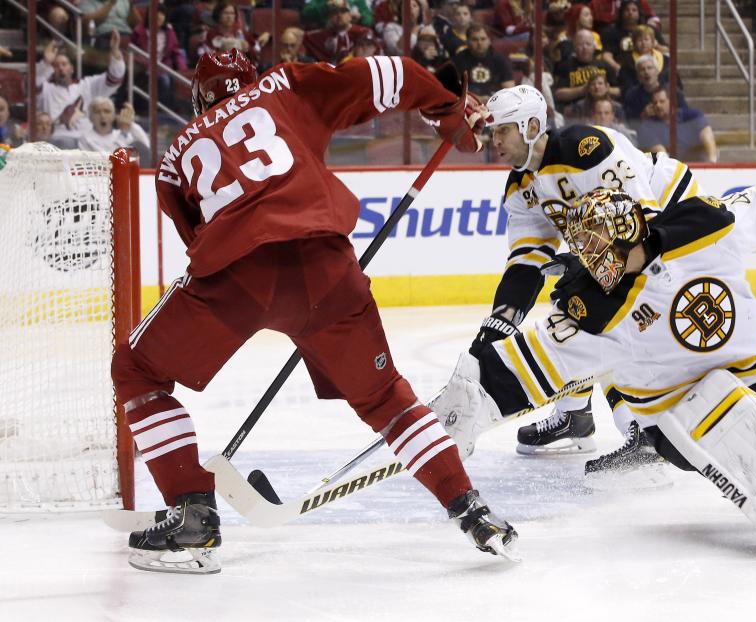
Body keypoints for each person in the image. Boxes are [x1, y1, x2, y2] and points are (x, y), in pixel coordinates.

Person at [112, 49, 518, 574]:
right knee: (388, 399)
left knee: (137, 369)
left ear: (199, 97)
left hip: (237, 276)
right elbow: (384, 74)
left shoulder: (176, 154)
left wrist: (264, 297)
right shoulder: (284, 86)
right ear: (251, 79)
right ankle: (471, 510)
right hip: (327, 271)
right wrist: (446, 104)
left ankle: (192, 512)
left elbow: (197, 238)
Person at [431, 139, 756, 553]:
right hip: (682, 423)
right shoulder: (587, 320)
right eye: (588, 254)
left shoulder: (706, 223)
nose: (595, 263)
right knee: (708, 411)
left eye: (600, 249)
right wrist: (463, 405)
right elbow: (517, 371)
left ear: (630, 230)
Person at [470, 84, 703, 472]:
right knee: (574, 306)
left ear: (530, 127)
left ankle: (639, 430)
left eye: (503, 130)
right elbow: (527, 264)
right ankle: (575, 417)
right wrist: (498, 324)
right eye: (493, 132)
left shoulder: (585, 148)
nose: (495, 140)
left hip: (675, 217)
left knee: (607, 316)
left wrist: (590, 268)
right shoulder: (520, 189)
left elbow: (641, 218)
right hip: (621, 241)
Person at [35, 31, 126, 148]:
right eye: (56, 65)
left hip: (88, 140)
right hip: (58, 140)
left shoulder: (87, 85)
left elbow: (115, 78)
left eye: (64, 64)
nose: (61, 68)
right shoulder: (46, 90)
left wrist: (115, 52)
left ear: (72, 68)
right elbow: (32, 83)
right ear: (52, 71)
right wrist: (46, 62)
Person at [634, 88, 718, 163]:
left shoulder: (692, 115)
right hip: (673, 170)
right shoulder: (648, 126)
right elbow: (661, 153)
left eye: (662, 101)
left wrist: (712, 163)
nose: (658, 105)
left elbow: (706, 134)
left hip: (699, 165)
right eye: (655, 103)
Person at [553, 29, 620, 106]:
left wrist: (603, 89)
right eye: (580, 44)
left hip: (602, 107)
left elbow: (619, 91)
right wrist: (582, 90)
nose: (585, 48)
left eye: (588, 44)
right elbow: (558, 94)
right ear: (574, 47)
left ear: (594, 46)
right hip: (576, 109)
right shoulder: (565, 66)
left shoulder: (604, 65)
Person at [452, 25, 515, 101]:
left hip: (495, 100)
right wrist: (477, 98)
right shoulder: (458, 59)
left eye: (483, 39)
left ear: (489, 41)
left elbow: (510, 89)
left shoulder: (500, 60)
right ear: (467, 41)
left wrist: (494, 99)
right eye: (475, 40)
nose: (479, 43)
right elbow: (455, 89)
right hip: (468, 101)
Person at [77, 97, 149, 155]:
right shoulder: (85, 138)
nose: (102, 115)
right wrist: (122, 134)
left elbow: (146, 148)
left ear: (114, 116)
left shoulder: (123, 133)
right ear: (90, 117)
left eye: (107, 111)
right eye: (97, 112)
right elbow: (108, 160)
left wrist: (130, 125)